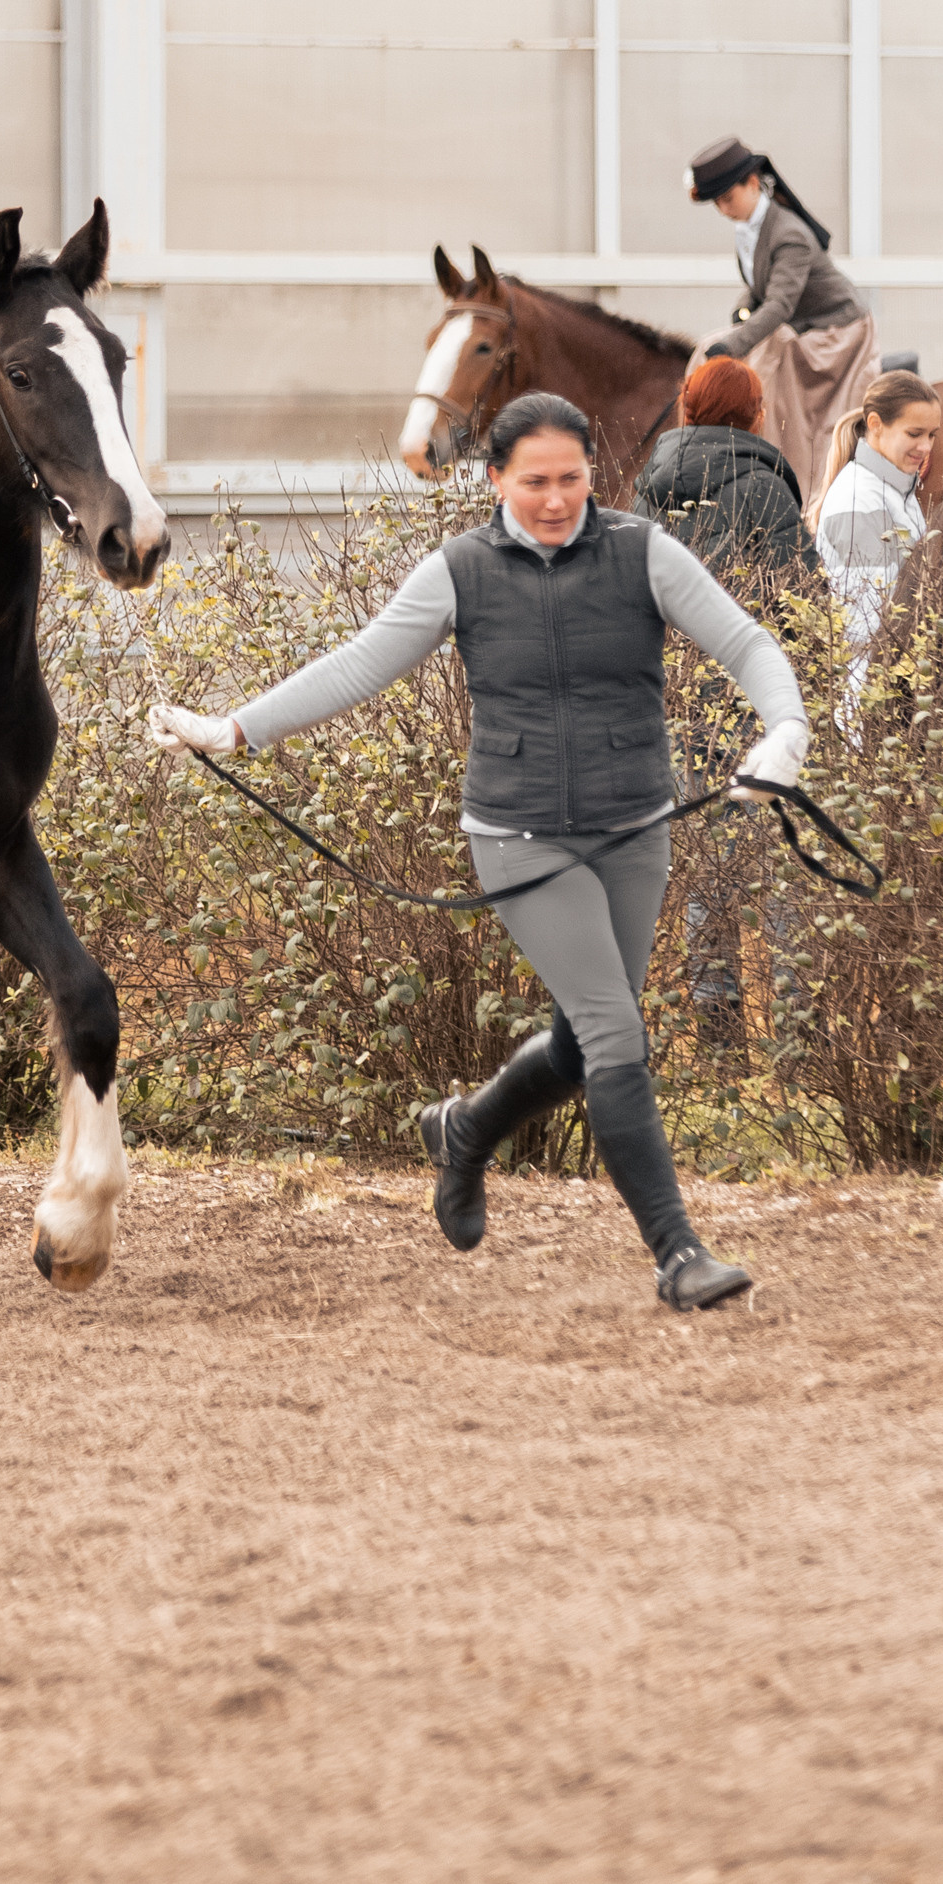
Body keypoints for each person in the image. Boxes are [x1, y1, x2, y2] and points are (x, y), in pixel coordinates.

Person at [149, 391, 811, 1312]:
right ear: (494, 478)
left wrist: (783, 730)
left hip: (633, 827)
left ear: (593, 475)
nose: (554, 499)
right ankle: (677, 1254)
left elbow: (746, 644)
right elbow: (357, 662)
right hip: (519, 835)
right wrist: (233, 729)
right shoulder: (459, 570)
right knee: (621, 1033)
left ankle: (463, 1130)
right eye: (533, 481)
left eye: (571, 479)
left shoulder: (641, 552)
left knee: (587, 1042)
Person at [635, 355, 816, 1058]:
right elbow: (801, 605)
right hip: (753, 712)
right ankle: (798, 1053)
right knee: (780, 884)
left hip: (674, 716)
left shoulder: (645, 495)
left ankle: (717, 1048)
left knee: (707, 877)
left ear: (685, 411)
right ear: (755, 416)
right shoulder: (765, 493)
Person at [687, 135, 877, 507]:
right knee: (708, 344)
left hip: (838, 333)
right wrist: (739, 316)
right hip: (803, 324)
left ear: (753, 183)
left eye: (727, 199)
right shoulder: (751, 227)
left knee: (772, 368)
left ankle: (795, 486)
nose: (724, 210)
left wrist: (734, 345)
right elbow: (761, 284)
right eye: (718, 203)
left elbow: (779, 305)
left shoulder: (790, 233)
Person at [632, 354, 822, 592]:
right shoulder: (764, 487)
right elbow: (802, 593)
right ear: (756, 414)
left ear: (687, 407)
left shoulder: (649, 486)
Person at [811, 367, 940, 663]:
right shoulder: (860, 501)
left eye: (932, 435)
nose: (926, 447)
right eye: (914, 433)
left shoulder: (896, 489)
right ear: (876, 424)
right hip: (872, 694)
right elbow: (867, 627)